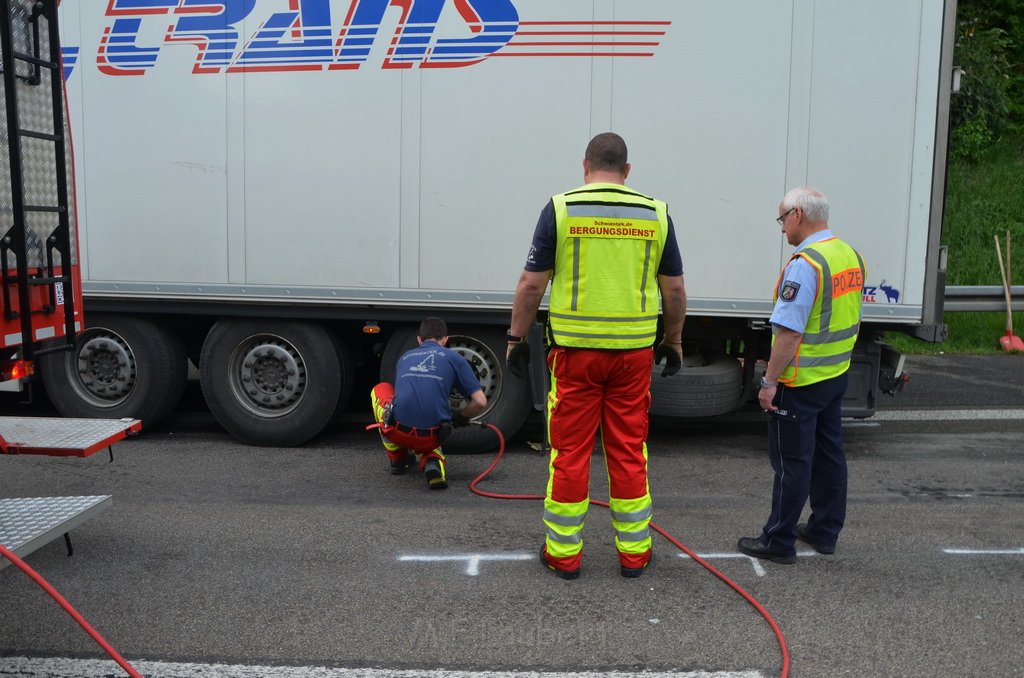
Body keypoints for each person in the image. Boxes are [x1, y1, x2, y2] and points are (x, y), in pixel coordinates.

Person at [506, 132, 686, 580]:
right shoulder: (655, 213)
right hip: (633, 356)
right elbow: (675, 290)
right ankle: (634, 555)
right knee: (628, 451)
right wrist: (675, 340)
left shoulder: (562, 208)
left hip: (574, 356)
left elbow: (531, 285)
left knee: (570, 453)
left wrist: (516, 339)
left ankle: (564, 557)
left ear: (586, 166)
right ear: (627, 171)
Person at [738, 187, 866, 564]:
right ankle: (825, 532)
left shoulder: (806, 264)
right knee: (829, 456)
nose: (781, 229)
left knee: (792, 463)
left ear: (797, 214)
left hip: (800, 381)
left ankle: (778, 541)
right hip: (834, 375)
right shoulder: (849, 255)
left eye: (782, 219)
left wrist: (769, 382)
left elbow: (790, 333)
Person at [370, 317, 487, 490]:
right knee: (429, 439)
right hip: (431, 437)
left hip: (397, 431)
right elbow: (480, 402)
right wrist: (460, 418)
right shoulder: (454, 358)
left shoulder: (405, 356)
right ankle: (433, 464)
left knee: (380, 390)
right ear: (445, 340)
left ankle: (397, 458)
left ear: (419, 340)